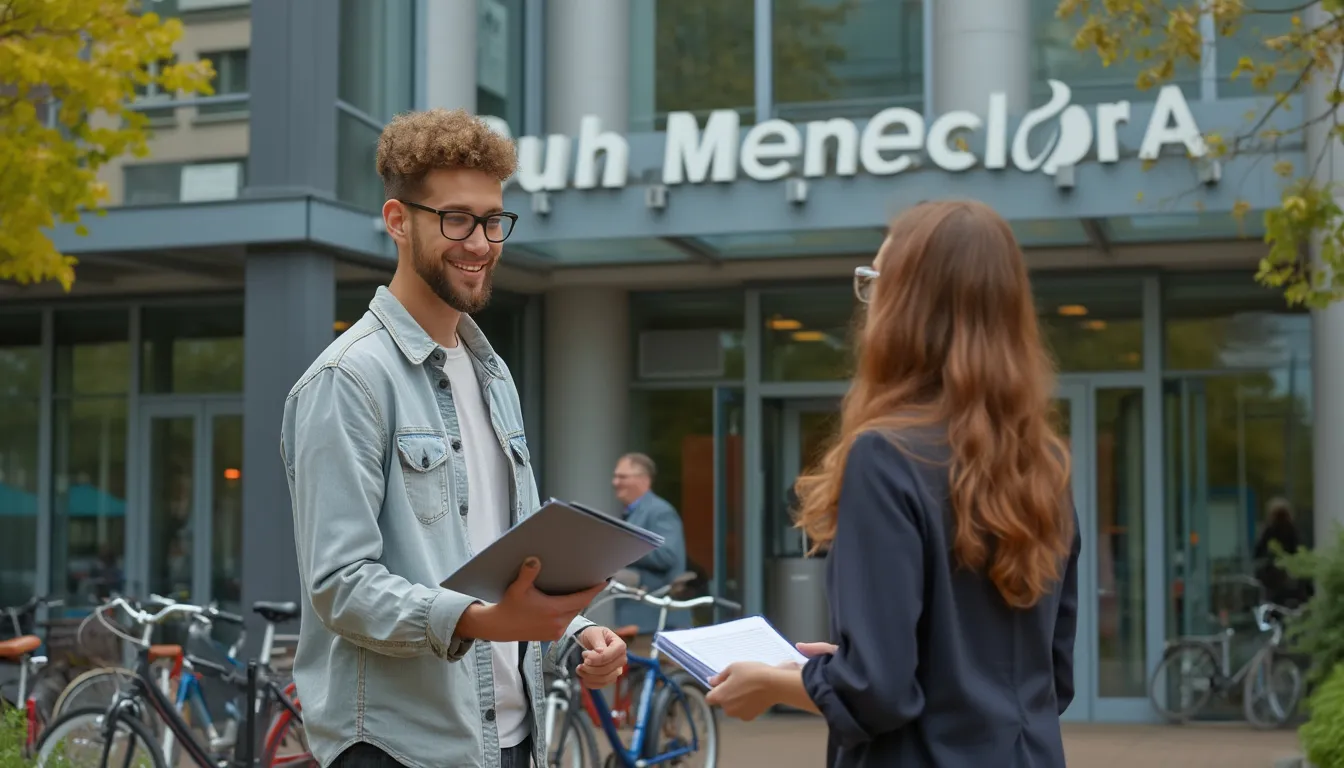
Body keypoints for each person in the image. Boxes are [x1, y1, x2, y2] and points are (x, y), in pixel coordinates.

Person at [281, 108, 627, 768]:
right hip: (400, 748)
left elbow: (510, 565)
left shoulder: (492, 375)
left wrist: (575, 635)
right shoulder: (348, 379)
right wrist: (482, 621)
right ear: (397, 221)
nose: (480, 243)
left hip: (509, 741)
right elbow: (340, 586)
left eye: (493, 221)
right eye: (457, 219)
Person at [704, 200, 1081, 768]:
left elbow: (877, 691)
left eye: (875, 281)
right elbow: (1047, 676)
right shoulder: (1044, 464)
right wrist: (842, 667)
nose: (869, 302)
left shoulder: (884, 456)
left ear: (907, 306)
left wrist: (773, 683)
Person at [611, 453, 689, 636]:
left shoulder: (660, 511)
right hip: (637, 622)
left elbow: (667, 555)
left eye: (622, 477)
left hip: (657, 624)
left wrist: (621, 548)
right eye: (615, 476)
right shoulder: (634, 512)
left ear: (644, 479)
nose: (615, 482)